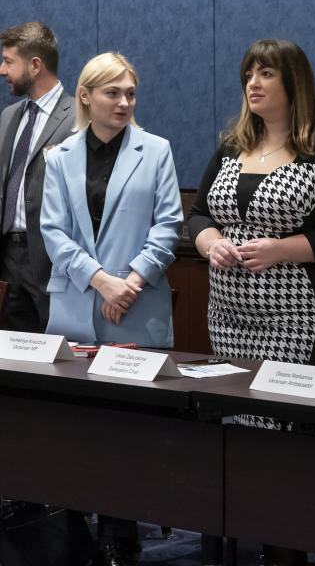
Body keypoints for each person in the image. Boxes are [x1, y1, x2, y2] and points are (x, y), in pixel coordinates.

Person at [40, 52, 182, 565]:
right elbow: (53, 232)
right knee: (77, 429)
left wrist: (131, 282)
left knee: (128, 431)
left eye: (130, 94)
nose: (124, 103)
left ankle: (122, 531)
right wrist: (101, 282)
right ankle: (75, 526)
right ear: (86, 97)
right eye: (113, 93)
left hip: (137, 308)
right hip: (78, 306)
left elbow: (169, 226)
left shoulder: (157, 150)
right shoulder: (60, 157)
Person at [189, 39, 315, 372]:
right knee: (234, 410)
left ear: (293, 81)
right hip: (228, 313)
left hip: (298, 311)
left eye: (266, 73)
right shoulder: (232, 145)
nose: (253, 83)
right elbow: (200, 214)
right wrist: (212, 245)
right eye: (248, 75)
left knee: (282, 412)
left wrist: (281, 250)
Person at [0, 22, 75, 333]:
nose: (2, 70)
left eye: (8, 61)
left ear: (35, 65)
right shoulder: (8, 116)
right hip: (7, 257)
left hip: (52, 258)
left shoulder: (78, 118)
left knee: (58, 359)